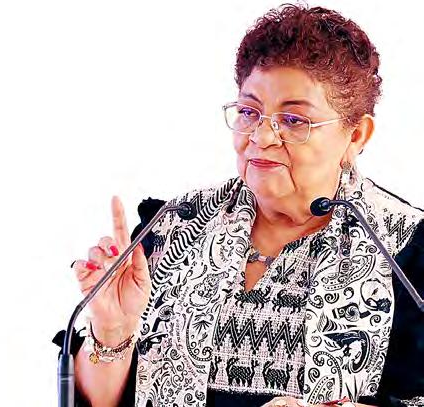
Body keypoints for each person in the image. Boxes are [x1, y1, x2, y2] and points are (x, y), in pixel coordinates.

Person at [53, 3, 424, 406]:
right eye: (249, 112)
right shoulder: (172, 228)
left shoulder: (406, 250)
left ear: (356, 136)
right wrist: (112, 333)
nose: (261, 137)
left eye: (294, 120)